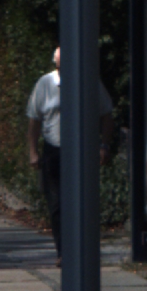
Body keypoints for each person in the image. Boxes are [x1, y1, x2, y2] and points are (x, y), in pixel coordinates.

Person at [26, 46, 115, 267]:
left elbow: (106, 113)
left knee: (81, 202)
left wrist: (104, 145)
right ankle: (63, 251)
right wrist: (33, 151)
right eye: (60, 64)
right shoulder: (45, 84)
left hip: (81, 151)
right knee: (57, 204)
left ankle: (83, 249)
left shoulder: (89, 82)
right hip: (53, 150)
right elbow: (34, 121)